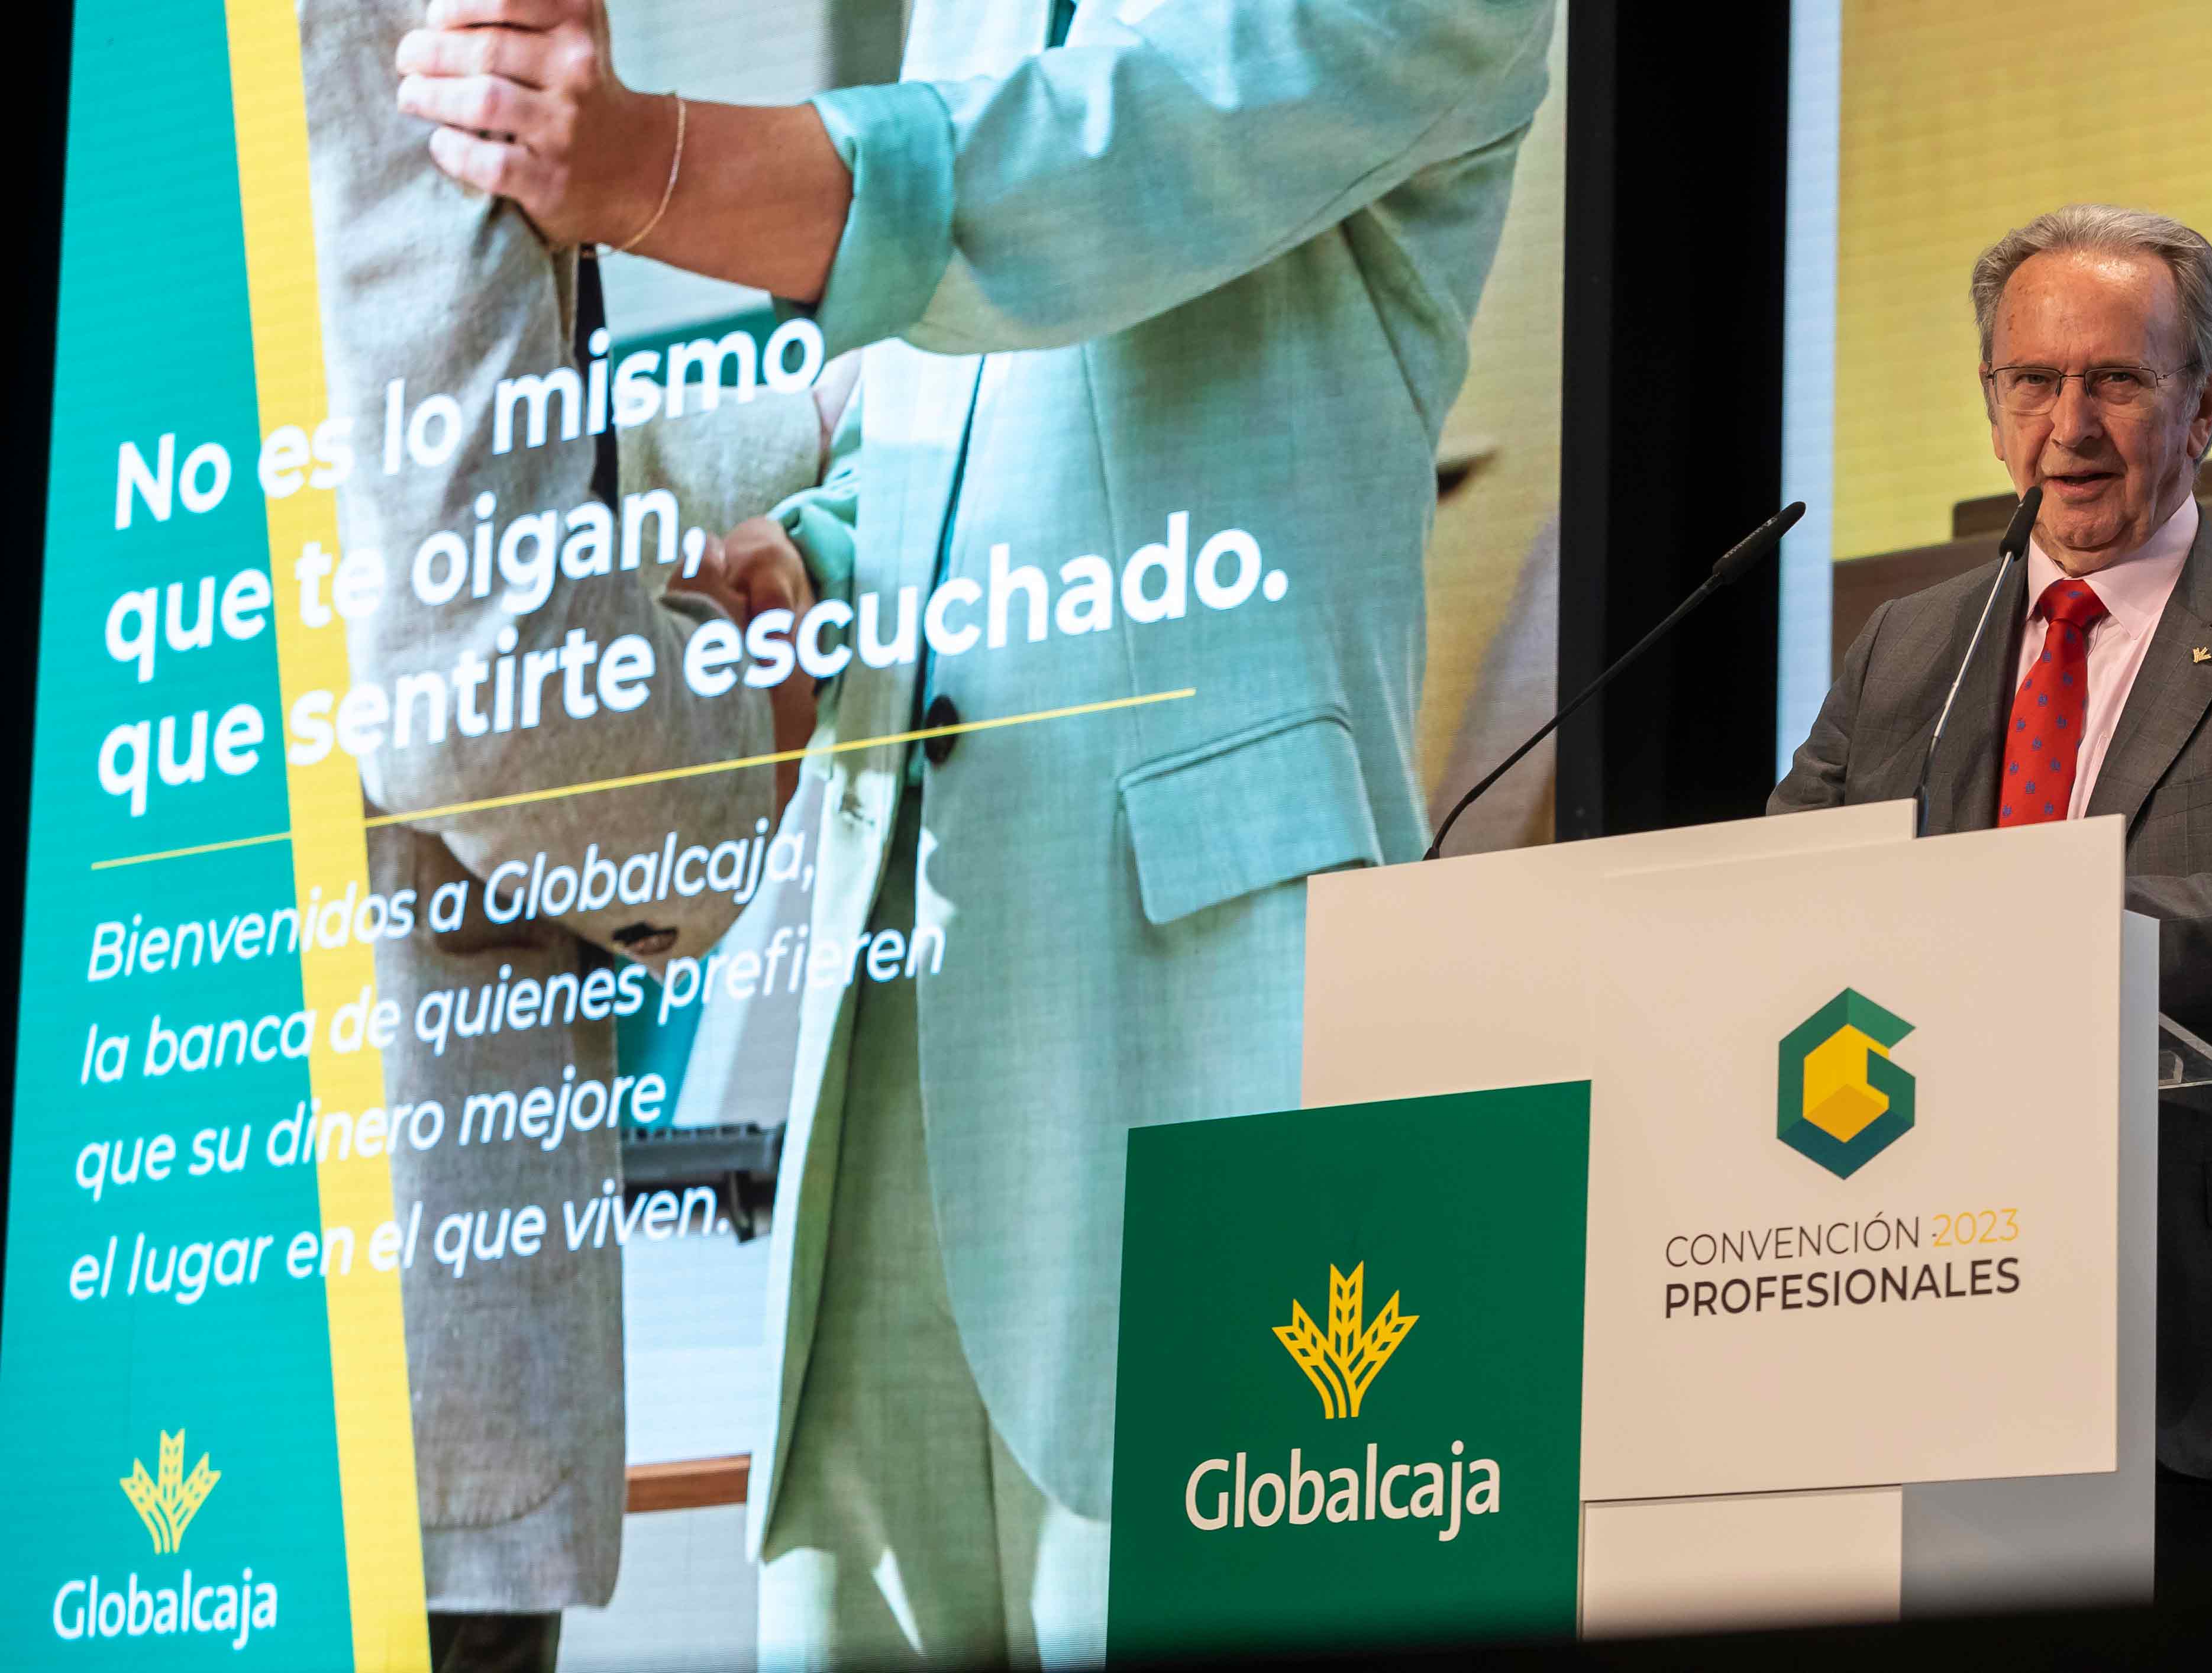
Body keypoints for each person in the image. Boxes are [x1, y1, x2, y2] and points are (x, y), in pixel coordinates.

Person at [395, 0, 1555, 1662]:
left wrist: (654, 164)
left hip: (1206, 1023)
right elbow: (954, 425)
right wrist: (817, 559)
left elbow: (1084, 177)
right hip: (897, 1005)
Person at [1772, 204, 2212, 1601]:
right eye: (2032, 381)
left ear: (2205, 405)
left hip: (2195, 1356)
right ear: (1992, 407)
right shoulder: (1906, 650)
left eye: (2116, 380)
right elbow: (1785, 893)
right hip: (1915, 1317)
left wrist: (2033, 917)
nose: (2070, 423)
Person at [298, 5, 828, 1667]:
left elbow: (340, 503)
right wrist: (751, 734)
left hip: (120, 1316)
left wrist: (846, 428)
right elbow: (479, 677)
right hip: (359, 1361)